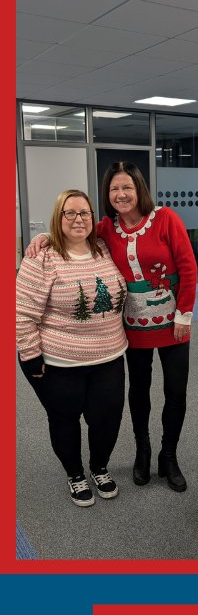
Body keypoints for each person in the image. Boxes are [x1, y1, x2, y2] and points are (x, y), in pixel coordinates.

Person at [28, 164, 198, 490]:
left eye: (127, 188)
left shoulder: (166, 219)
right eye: (114, 190)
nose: (121, 195)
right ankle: (143, 452)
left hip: (175, 324)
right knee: (139, 392)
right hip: (133, 328)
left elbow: (189, 267)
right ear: (107, 195)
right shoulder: (106, 228)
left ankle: (169, 456)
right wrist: (42, 236)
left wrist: (184, 315)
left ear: (140, 191)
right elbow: (72, 232)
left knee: (176, 392)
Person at [15, 189, 127, 507]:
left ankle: (99, 468)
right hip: (59, 361)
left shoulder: (103, 248)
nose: (78, 219)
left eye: (85, 213)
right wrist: (31, 355)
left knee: (107, 419)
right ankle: (75, 474)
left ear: (93, 218)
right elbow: (21, 313)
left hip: (109, 356)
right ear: (59, 217)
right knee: (64, 420)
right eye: (70, 213)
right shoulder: (42, 257)